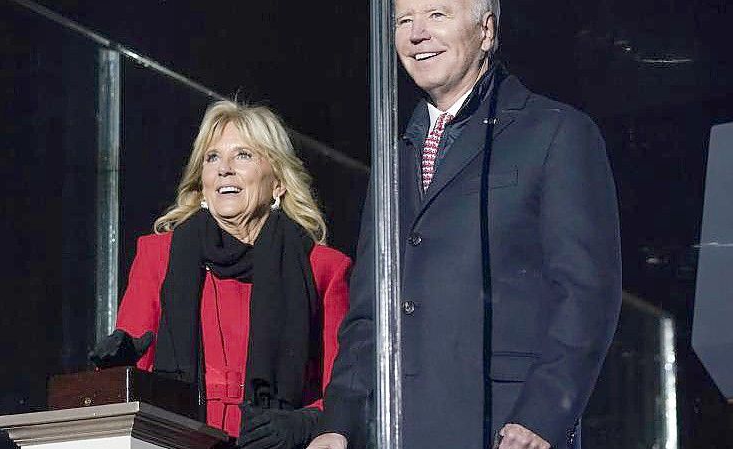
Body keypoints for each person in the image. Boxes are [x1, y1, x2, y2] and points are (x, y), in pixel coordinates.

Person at [307, 0, 621, 448]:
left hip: (501, 428)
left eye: (437, 14)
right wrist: (339, 422)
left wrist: (542, 416)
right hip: (397, 429)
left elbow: (586, 292)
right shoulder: (394, 158)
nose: (417, 33)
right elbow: (370, 309)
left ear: (486, 32)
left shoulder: (555, 132)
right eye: (403, 20)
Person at [90, 100, 352, 449]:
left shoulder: (323, 268)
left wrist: (305, 423)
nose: (224, 169)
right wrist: (114, 370)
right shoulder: (158, 257)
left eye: (243, 155)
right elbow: (129, 378)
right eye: (212, 158)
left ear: (277, 181)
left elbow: (344, 390)